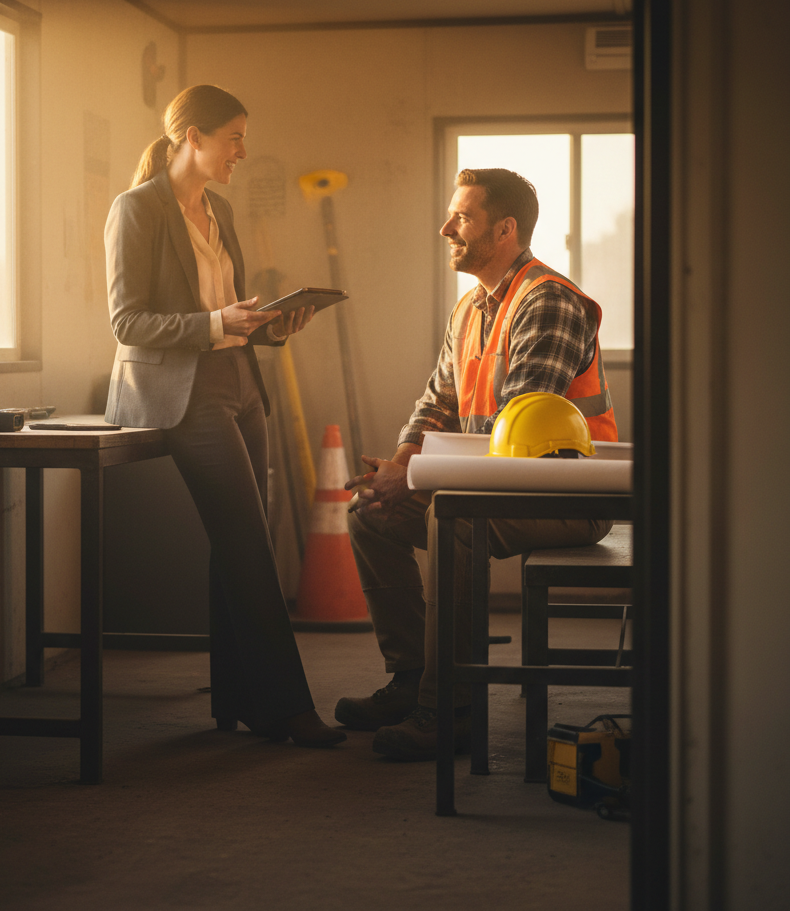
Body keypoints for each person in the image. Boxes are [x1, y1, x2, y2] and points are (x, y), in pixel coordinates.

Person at [337, 167, 618, 761]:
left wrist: (414, 474)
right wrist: (397, 467)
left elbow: (513, 431)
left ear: (506, 230)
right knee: (370, 513)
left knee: (452, 520)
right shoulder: (470, 308)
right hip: (499, 485)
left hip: (568, 497)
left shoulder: (548, 303)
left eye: (462, 217)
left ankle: (451, 709)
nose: (446, 228)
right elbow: (436, 403)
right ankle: (411, 680)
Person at [104, 84, 346, 748]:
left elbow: (228, 315)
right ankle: (287, 709)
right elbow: (127, 320)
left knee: (244, 540)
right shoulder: (136, 209)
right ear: (193, 138)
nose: (243, 149)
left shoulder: (221, 210)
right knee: (245, 540)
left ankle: (240, 702)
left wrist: (272, 324)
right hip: (181, 391)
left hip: (239, 378)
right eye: (234, 136)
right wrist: (216, 322)